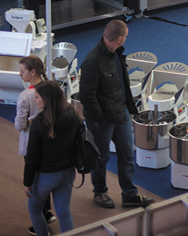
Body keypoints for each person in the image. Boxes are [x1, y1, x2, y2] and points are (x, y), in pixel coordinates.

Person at [80, 19, 153, 209]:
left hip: (121, 114)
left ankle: (130, 195)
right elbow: (86, 96)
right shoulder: (92, 61)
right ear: (119, 39)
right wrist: (101, 118)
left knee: (127, 155)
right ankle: (100, 193)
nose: (126, 39)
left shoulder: (116, 54)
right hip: (102, 121)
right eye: (125, 37)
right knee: (100, 158)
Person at [23, 81, 80, 236]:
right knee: (64, 213)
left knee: (34, 210)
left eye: (36, 97)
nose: (34, 100)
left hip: (46, 176)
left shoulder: (38, 123)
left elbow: (32, 157)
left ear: (46, 99)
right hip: (68, 173)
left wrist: (28, 182)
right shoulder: (73, 114)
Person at [16, 56, 55, 234]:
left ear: (32, 72)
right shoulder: (52, 88)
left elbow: (20, 125)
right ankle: (48, 212)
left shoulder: (25, 95)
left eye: (22, 71)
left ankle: (41, 219)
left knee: (35, 182)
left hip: (32, 143)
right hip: (50, 142)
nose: (19, 74)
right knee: (46, 178)